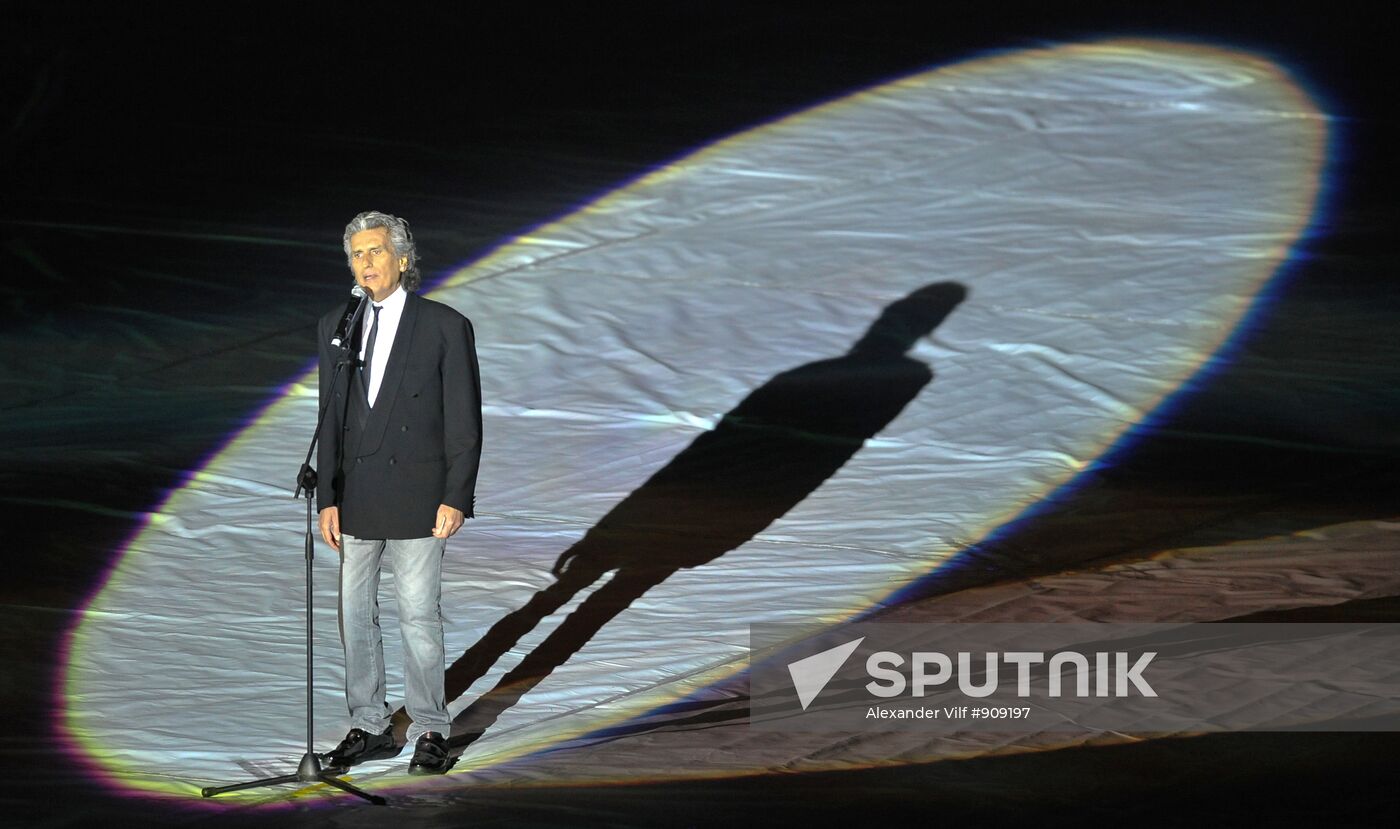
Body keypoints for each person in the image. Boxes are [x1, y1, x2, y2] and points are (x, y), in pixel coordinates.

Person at [315, 210, 482, 775]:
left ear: (403, 259)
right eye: (356, 254)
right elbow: (330, 418)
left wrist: (456, 494)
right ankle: (370, 725)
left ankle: (431, 726)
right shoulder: (337, 325)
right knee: (354, 615)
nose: (365, 263)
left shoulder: (443, 325)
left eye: (376, 251)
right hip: (357, 494)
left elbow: (464, 419)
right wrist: (328, 496)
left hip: (419, 495)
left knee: (417, 614)